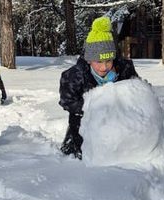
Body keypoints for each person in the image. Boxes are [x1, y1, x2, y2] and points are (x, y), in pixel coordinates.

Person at [59, 16, 138, 159]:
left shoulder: (125, 69)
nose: (104, 67)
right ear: (89, 59)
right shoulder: (74, 75)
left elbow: (137, 91)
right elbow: (67, 101)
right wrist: (94, 106)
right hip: (83, 125)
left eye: (109, 60)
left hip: (119, 123)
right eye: (99, 61)